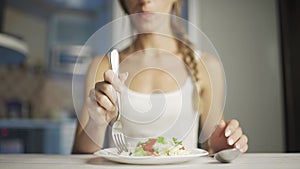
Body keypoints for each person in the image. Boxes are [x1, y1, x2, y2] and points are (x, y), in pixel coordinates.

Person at [72, 0, 248, 154]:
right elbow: (79, 154)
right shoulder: (104, 65)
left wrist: (224, 144)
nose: (145, 1)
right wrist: (98, 124)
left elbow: (213, 143)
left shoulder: (206, 66)